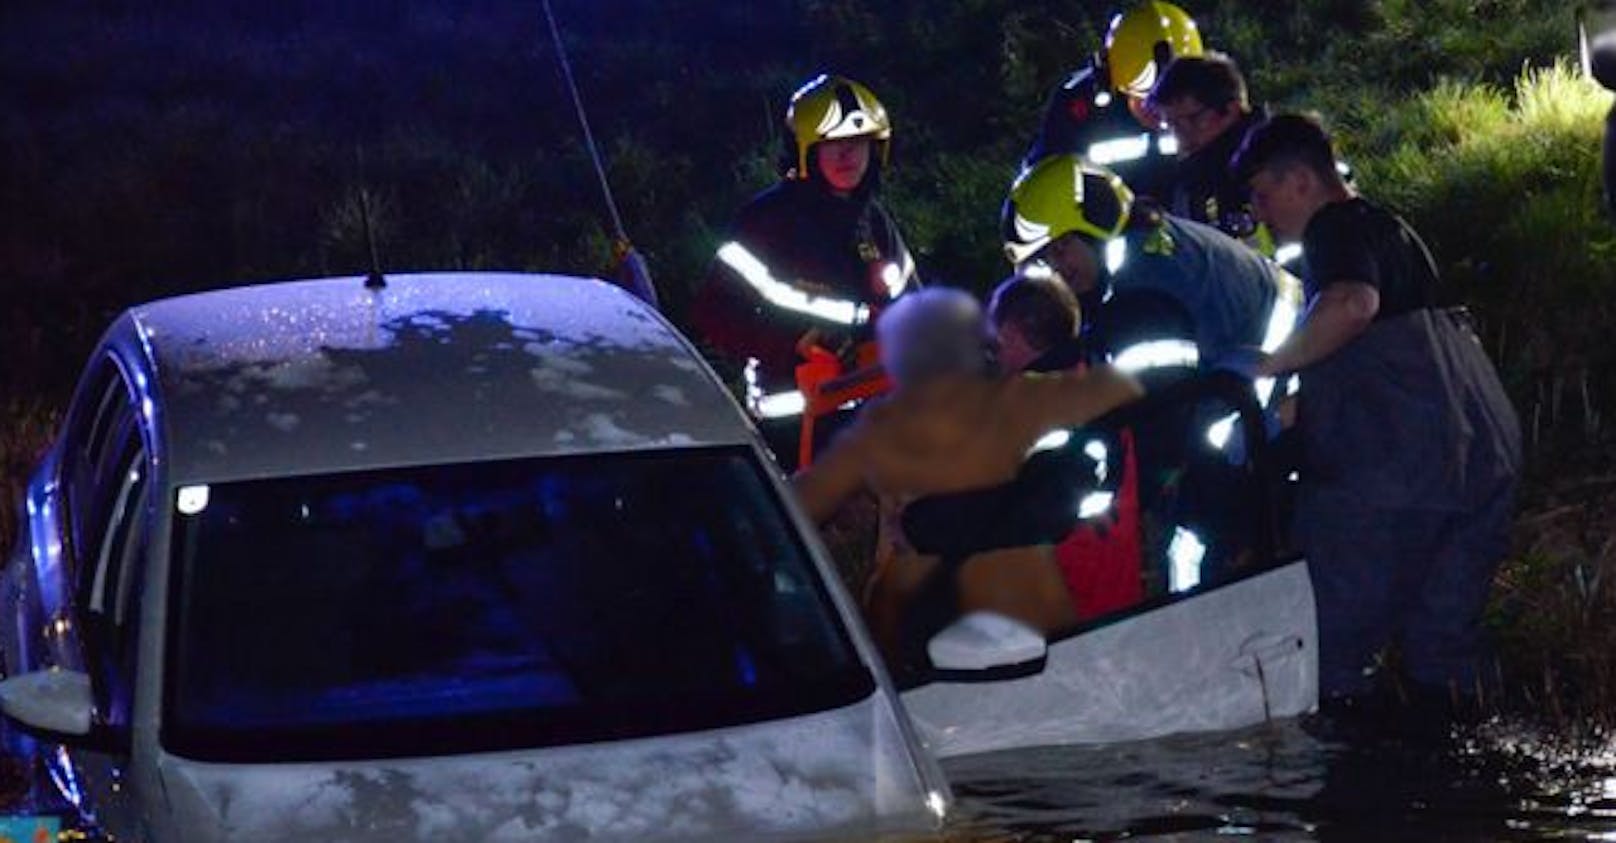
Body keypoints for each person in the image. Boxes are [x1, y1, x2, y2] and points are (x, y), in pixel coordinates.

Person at [1231, 113, 1522, 712]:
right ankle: (1469, 785)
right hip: (1482, 454)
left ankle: (1351, 796)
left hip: (1395, 470)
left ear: (1301, 183)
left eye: (1263, 194)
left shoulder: (1331, 230)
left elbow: (1352, 304)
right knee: (1444, 647)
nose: (1259, 213)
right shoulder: (1391, 227)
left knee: (1330, 652)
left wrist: (1273, 365)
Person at [792, 288, 1142, 671]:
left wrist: (917, 526)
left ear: (1009, 332)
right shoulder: (1086, 382)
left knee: (919, 606)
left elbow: (1014, 512)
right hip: (1107, 607)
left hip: (1066, 623)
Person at [1001, 154, 1302, 590]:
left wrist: (1090, 493)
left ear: (1095, 217)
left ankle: (1210, 625)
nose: (1059, 267)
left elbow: (1159, 422)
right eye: (1045, 257)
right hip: (1267, 372)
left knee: (1194, 519)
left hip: (1279, 385)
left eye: (1062, 247)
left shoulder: (1141, 287)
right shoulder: (1140, 252)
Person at [692, 74, 919, 470]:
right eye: (833, 145)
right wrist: (793, 344)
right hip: (793, 430)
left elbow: (915, 304)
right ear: (805, 151)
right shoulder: (766, 221)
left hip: (876, 422)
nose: (848, 155)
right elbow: (713, 316)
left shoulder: (874, 220)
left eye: (859, 142)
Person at [988, 274, 1144, 618]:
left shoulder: (1021, 411)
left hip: (1067, 616)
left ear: (1010, 334)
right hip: (1123, 596)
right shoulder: (1098, 384)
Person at [1023, 0, 1204, 199]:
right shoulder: (1080, 107)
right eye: (1146, 101)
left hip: (1188, 224)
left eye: (1176, 103)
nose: (1162, 117)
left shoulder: (1215, 103)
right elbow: (1042, 186)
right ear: (1112, 80)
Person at [1145, 53, 1267, 243]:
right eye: (1172, 124)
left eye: (1193, 119)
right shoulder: (1189, 182)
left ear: (1231, 110)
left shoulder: (1273, 165)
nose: (1181, 135)